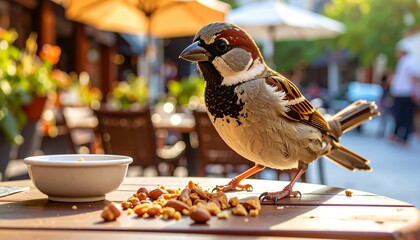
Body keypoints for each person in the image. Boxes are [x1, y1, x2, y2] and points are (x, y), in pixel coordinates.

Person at [389, 40, 420, 146]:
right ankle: (397, 135)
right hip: (400, 93)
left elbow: (414, 77)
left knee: (406, 116)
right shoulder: (402, 61)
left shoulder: (410, 61)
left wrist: (414, 91)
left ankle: (404, 138)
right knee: (399, 115)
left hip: (407, 93)